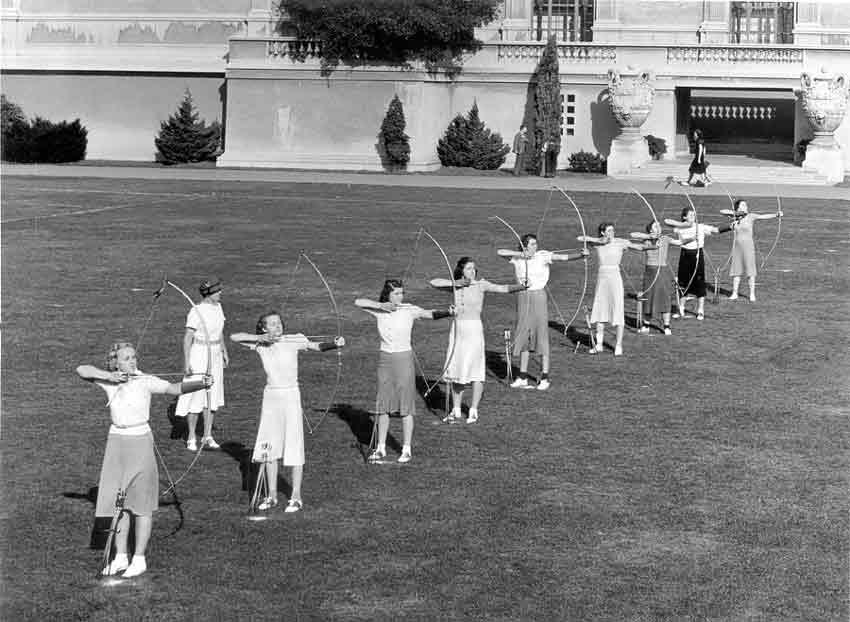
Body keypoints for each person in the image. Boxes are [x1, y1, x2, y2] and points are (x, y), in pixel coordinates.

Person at [77, 342, 211, 578]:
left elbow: (174, 388)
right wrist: (109, 375)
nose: (132, 361)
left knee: (141, 504)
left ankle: (139, 559)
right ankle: (120, 557)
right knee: (119, 504)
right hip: (117, 442)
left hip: (140, 441)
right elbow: (82, 370)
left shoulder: (145, 379)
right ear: (115, 362)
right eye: (126, 358)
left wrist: (201, 383)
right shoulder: (110, 380)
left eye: (133, 357)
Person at [230, 312, 344, 513]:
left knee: (294, 443)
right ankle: (272, 495)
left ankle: (296, 496)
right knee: (269, 447)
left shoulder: (294, 339)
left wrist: (335, 343)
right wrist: (259, 338)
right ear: (264, 328)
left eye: (279, 323)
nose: (278, 326)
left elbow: (315, 346)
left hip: (291, 396)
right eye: (272, 324)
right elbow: (234, 337)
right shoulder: (261, 344)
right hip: (271, 398)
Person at [355, 280, 454, 463]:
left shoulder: (409, 309)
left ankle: (406, 448)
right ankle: (381, 448)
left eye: (401, 293)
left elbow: (429, 314)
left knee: (406, 405)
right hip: (385, 360)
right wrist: (381, 305)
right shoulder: (379, 309)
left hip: (404, 359)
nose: (400, 297)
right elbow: (358, 302)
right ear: (388, 295)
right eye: (396, 294)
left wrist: (448, 312)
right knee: (383, 405)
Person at [429, 257, 527, 423]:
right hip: (458, 331)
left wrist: (521, 286)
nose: (472, 271)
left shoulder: (481, 284)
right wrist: (457, 283)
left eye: (474, 268)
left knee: (476, 370)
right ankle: (457, 409)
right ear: (461, 271)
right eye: (468, 268)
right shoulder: (455, 286)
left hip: (474, 331)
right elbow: (433, 282)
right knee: (457, 370)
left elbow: (503, 288)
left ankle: (473, 409)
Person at [497, 234, 587, 388]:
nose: (535, 247)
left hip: (538, 296)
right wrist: (522, 254)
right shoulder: (517, 258)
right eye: (531, 244)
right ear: (524, 246)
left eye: (535, 244)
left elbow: (563, 257)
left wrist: (580, 255)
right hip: (523, 296)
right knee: (523, 334)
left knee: (541, 335)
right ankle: (523, 376)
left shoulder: (542, 256)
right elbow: (500, 252)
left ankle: (544, 377)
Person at [175, 278, 229, 451]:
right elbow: (188, 338)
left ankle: (207, 435)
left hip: (215, 355)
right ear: (208, 293)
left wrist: (224, 351)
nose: (220, 292)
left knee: (212, 394)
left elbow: (219, 333)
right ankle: (191, 436)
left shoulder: (219, 307)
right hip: (199, 354)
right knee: (196, 393)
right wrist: (187, 362)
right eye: (217, 290)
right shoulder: (196, 311)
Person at [577, 223, 645, 355]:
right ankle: (599, 344)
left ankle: (618, 345)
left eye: (613, 230)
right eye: (609, 231)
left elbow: (639, 247)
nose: (612, 232)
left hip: (615, 278)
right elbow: (581, 238)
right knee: (600, 310)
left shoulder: (620, 242)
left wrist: (654, 245)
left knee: (618, 309)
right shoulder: (598, 244)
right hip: (602, 279)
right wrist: (600, 241)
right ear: (602, 232)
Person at [665, 207, 733, 320]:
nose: (693, 217)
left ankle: (700, 310)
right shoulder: (679, 228)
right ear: (684, 217)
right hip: (684, 255)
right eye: (690, 215)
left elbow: (716, 230)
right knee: (683, 282)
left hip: (697, 255)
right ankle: (680, 308)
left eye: (694, 215)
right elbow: (667, 221)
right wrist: (684, 225)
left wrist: (730, 227)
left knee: (699, 282)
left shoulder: (700, 227)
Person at [630, 220, 685, 335]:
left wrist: (693, 238)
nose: (659, 227)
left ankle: (666, 326)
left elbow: (679, 242)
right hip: (650, 271)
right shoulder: (647, 239)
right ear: (650, 229)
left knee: (665, 298)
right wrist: (649, 236)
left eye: (659, 225)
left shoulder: (664, 238)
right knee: (648, 297)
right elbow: (632, 235)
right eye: (656, 226)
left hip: (662, 270)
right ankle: (646, 324)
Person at [721, 199, 782, 302]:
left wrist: (776, 214)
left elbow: (763, 216)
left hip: (749, 247)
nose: (746, 206)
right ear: (738, 207)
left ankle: (752, 294)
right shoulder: (735, 217)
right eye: (743, 205)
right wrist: (736, 214)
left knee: (751, 272)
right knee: (736, 271)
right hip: (737, 248)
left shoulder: (750, 216)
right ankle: (734, 293)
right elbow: (722, 211)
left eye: (746, 205)